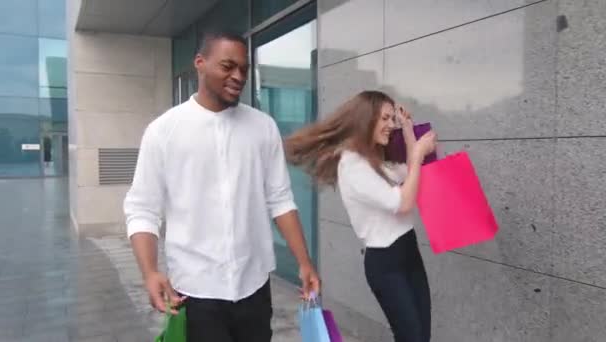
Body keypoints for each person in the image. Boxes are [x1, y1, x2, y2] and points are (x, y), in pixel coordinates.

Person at [123, 29, 320, 342]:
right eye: (227, 66)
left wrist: (304, 262)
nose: (238, 76)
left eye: (243, 68)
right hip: (195, 292)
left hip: (254, 287)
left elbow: (280, 200)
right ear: (200, 63)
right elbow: (142, 209)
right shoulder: (164, 131)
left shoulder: (263, 127)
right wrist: (150, 272)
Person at [285, 90, 436, 342]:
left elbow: (409, 172)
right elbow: (404, 201)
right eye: (385, 119)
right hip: (386, 263)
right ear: (366, 120)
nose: (391, 125)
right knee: (412, 337)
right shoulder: (352, 165)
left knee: (421, 336)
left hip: (408, 252)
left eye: (393, 119)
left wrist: (408, 131)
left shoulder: (375, 159)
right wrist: (419, 152)